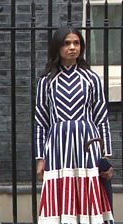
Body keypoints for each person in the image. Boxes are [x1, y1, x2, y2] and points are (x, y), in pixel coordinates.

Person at [34, 26, 114, 223]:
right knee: (60, 197)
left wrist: (106, 157)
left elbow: (101, 117)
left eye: (76, 43)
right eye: (67, 43)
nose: (72, 47)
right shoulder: (46, 81)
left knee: (89, 194)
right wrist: (40, 159)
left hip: (87, 145)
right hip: (58, 146)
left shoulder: (92, 79)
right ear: (58, 47)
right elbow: (40, 121)